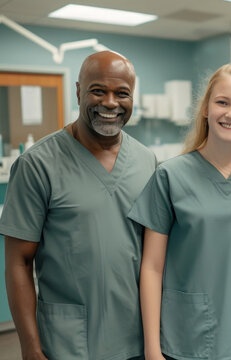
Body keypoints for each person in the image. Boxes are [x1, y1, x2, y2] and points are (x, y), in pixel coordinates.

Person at [1, 50, 156, 360]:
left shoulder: (147, 162)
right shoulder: (37, 165)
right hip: (68, 344)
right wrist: (30, 348)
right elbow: (18, 262)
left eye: (121, 93)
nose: (110, 102)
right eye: (98, 90)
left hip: (137, 338)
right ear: (77, 92)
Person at [128, 64, 231, 360]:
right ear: (206, 107)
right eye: (222, 102)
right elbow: (152, 267)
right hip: (186, 338)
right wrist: (152, 349)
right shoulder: (170, 176)